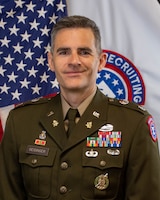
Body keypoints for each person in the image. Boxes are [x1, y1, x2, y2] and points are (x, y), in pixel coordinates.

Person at [0, 15, 160, 200]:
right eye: (64, 52)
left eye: (84, 52)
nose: (74, 61)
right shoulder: (21, 121)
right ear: (51, 61)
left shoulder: (134, 124)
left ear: (101, 61)